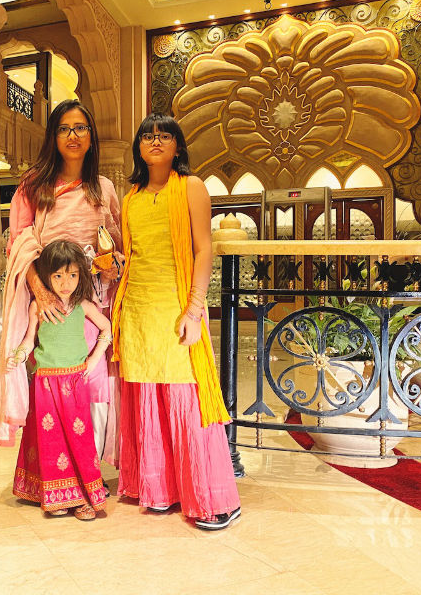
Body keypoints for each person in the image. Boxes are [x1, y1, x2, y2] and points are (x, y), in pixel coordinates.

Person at [111, 113, 241, 530]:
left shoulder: (190, 187)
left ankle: (212, 497)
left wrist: (194, 309)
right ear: (138, 147)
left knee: (187, 401)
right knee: (146, 397)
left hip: (176, 307)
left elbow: (204, 249)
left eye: (164, 136)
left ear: (178, 147)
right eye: (147, 136)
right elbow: (133, 254)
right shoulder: (130, 197)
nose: (155, 142)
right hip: (136, 308)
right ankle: (160, 490)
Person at [0, 100, 121, 472]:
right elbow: (20, 244)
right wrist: (40, 291)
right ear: (53, 136)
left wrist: (111, 264)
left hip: (92, 299)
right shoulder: (34, 186)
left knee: (93, 381)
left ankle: (87, 466)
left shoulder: (104, 188)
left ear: (91, 136)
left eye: (80, 127)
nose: (73, 135)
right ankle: (52, 468)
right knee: (52, 380)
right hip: (50, 300)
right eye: (64, 128)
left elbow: (116, 244)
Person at [7, 240, 111, 520]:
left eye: (73, 275)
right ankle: (56, 495)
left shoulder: (83, 306)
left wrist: (93, 359)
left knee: (79, 439)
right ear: (46, 276)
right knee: (51, 440)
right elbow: (29, 340)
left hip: (75, 383)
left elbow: (106, 328)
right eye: (58, 276)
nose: (66, 283)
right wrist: (18, 356)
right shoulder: (38, 308)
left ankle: (85, 496)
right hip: (45, 384)